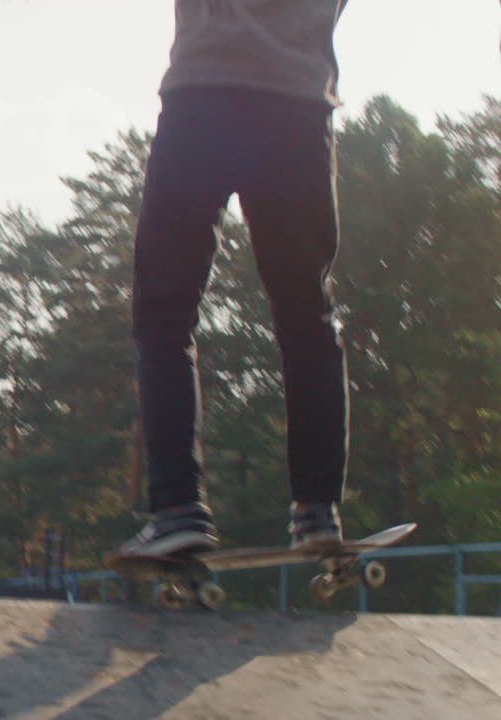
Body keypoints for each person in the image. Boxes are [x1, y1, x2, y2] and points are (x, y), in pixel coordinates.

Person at [114, 0, 351, 559]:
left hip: (205, 98)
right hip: (298, 106)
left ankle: (176, 510)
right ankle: (318, 509)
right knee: (306, 314)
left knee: (164, 315)